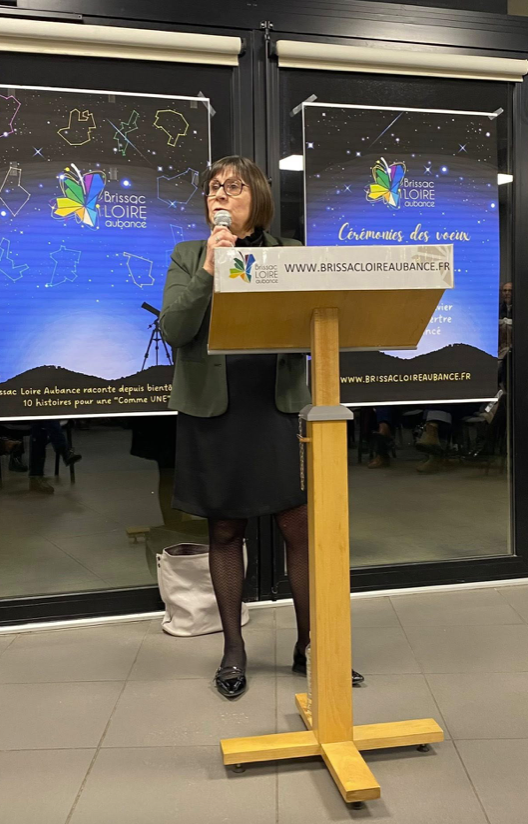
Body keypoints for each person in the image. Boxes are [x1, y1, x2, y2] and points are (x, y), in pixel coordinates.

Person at [160, 156, 363, 699]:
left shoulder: (290, 253)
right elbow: (175, 329)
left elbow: (313, 325)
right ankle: (234, 649)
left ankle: (311, 645)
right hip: (215, 410)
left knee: (299, 526)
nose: (219, 194)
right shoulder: (187, 255)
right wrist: (210, 268)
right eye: (213, 187)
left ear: (258, 197)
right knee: (225, 531)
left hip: (277, 408)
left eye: (232, 185)